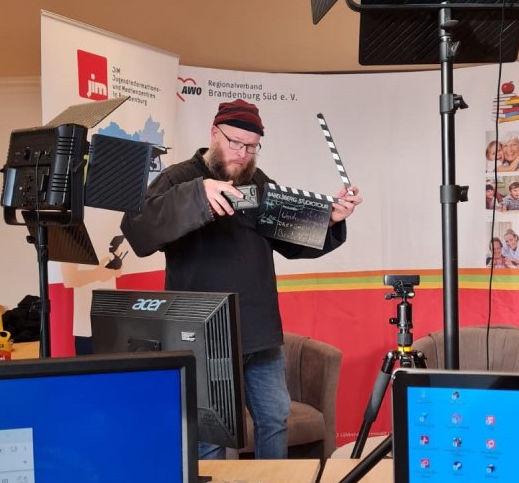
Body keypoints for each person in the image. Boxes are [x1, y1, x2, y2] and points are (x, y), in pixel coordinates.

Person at [120, 100, 362, 459]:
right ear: (214, 134)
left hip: (259, 332)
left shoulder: (257, 183)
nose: (243, 154)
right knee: (210, 434)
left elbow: (292, 239)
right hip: (203, 335)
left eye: (251, 147)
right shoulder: (178, 179)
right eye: (235, 143)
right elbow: (137, 228)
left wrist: (330, 220)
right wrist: (198, 193)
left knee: (275, 418)